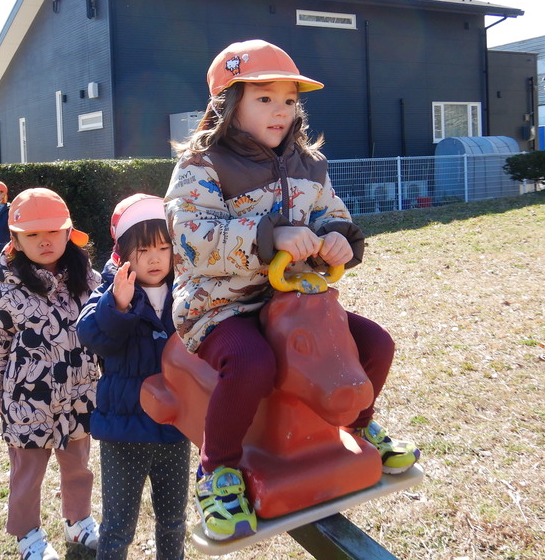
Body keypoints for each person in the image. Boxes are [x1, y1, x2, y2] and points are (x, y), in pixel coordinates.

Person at [165, 39, 419, 541]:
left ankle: (360, 423)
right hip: (222, 304)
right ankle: (217, 470)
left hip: (295, 301)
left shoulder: (308, 164)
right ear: (227, 104)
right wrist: (268, 237)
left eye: (289, 99)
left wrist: (339, 238)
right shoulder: (202, 167)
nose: (280, 110)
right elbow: (190, 237)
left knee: (375, 345)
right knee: (252, 363)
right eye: (264, 98)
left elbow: (332, 212)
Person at [0, 187, 101, 560]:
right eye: (32, 235)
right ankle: (28, 534)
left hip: (79, 395)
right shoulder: (9, 292)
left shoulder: (89, 283)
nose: (44, 241)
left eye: (52, 232)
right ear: (15, 240)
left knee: (78, 466)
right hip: (28, 401)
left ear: (68, 233)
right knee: (27, 473)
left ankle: (78, 521)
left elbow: (104, 331)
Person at [78, 194, 191, 560]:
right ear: (124, 252)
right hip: (124, 432)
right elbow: (93, 336)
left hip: (175, 427)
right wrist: (119, 305)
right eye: (143, 249)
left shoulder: (187, 291)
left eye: (163, 246)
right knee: (117, 526)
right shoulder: (111, 292)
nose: (156, 258)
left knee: (173, 520)